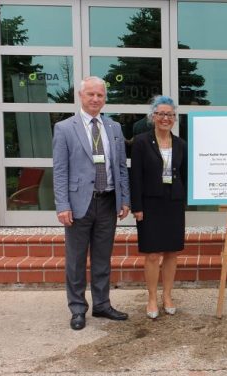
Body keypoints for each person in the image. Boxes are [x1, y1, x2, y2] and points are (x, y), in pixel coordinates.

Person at [52, 76, 131, 330]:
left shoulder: (114, 127)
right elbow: (60, 171)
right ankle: (77, 308)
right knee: (75, 259)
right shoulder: (65, 128)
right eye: (91, 95)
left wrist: (125, 199)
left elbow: (120, 167)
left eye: (100, 95)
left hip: (107, 202)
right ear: (81, 96)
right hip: (78, 205)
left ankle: (102, 304)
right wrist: (62, 205)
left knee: (102, 258)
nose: (96, 99)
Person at [130, 95, 187, 319]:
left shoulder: (181, 144)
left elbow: (184, 174)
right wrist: (137, 206)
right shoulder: (141, 142)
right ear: (153, 116)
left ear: (174, 119)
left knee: (172, 252)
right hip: (149, 204)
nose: (165, 118)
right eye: (161, 114)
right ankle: (152, 297)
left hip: (173, 203)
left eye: (170, 115)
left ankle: (168, 296)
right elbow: (135, 177)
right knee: (152, 254)